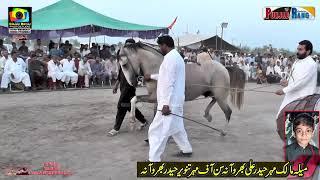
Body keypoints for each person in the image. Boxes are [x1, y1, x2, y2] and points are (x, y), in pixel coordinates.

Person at [144, 35, 192, 162]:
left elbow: (168, 82)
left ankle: (153, 160)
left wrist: (165, 104)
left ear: (165, 45)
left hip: (169, 103)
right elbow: (166, 76)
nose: (160, 48)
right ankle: (186, 149)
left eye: (160, 46)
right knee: (177, 127)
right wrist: (152, 77)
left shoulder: (170, 59)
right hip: (176, 101)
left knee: (157, 131)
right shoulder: (177, 57)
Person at [276, 40, 318, 115]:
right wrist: (287, 82)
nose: (298, 51)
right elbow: (293, 76)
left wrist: (284, 90)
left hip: (303, 99)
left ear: (308, 51)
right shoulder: (297, 61)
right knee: (282, 117)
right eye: (298, 49)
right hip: (291, 96)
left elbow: (301, 82)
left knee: (298, 123)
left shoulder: (311, 64)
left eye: (300, 49)